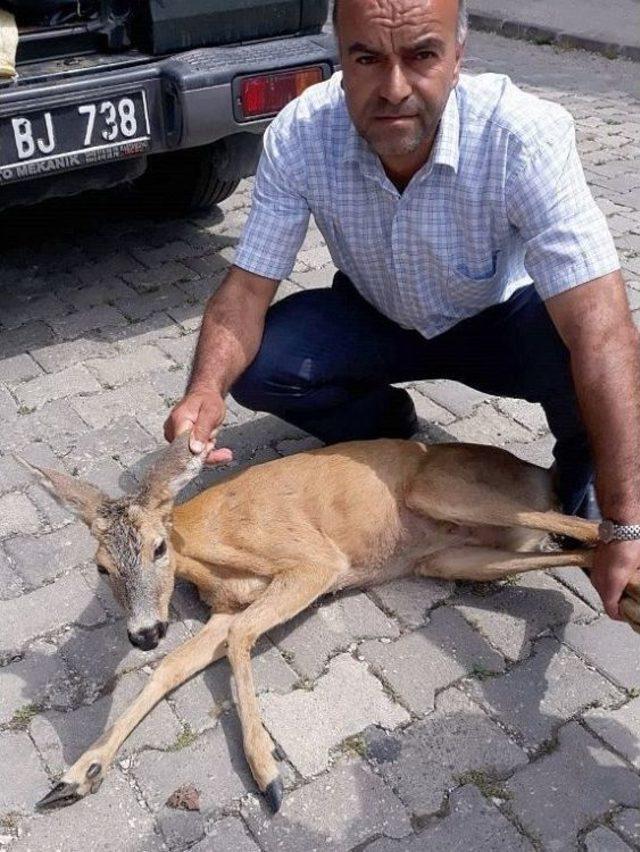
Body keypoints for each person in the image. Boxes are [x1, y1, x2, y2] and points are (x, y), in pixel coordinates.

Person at [166, 0, 640, 621]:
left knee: (589, 362)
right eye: (368, 58)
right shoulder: (302, 132)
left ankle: (574, 496)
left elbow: (603, 330)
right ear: (341, 59)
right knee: (265, 365)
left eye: (422, 56)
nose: (393, 89)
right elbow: (246, 288)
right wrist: (204, 388)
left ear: (458, 57)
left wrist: (625, 521)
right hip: (377, 315)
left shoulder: (521, 135)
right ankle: (386, 427)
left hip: (500, 324)